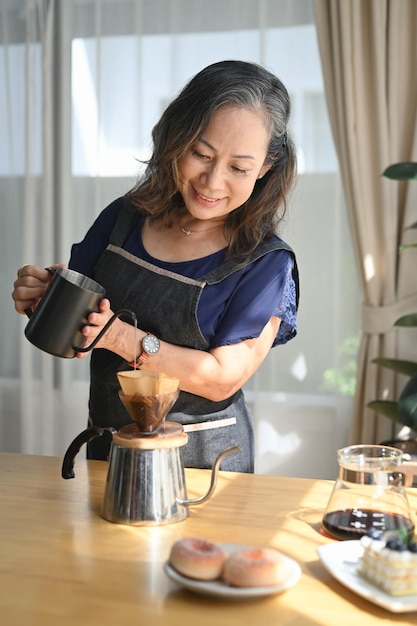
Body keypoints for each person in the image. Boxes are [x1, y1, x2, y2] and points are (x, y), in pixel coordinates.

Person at [12, 60, 299, 473]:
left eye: (238, 168)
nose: (213, 181)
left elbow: (222, 377)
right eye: (201, 153)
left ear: (265, 169)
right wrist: (42, 298)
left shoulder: (266, 263)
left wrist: (120, 338)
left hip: (204, 471)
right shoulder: (124, 217)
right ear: (175, 140)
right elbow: (76, 336)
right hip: (111, 457)